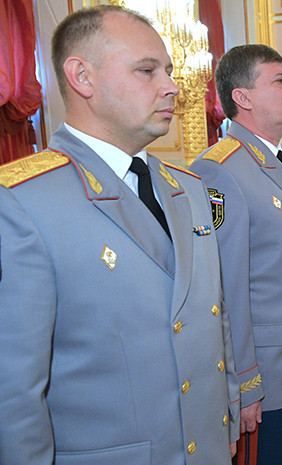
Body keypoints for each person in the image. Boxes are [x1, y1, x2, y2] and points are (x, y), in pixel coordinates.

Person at [0, 6, 238, 464]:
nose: (171, 86)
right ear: (82, 77)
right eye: (147, 70)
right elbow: (13, 395)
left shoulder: (187, 188)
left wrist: (222, 414)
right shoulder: (21, 203)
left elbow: (213, 316)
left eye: (169, 70)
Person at [190, 45, 282, 465]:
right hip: (269, 378)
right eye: (280, 80)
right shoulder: (220, 169)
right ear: (243, 97)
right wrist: (243, 383)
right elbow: (224, 289)